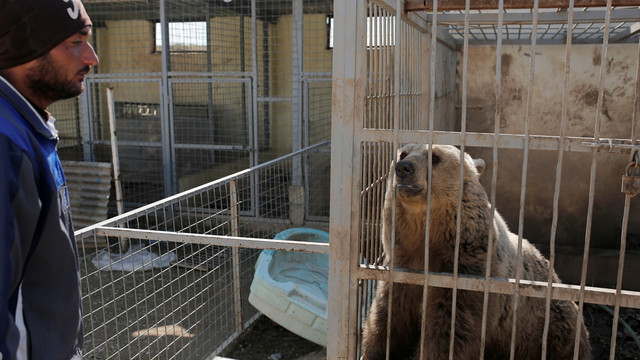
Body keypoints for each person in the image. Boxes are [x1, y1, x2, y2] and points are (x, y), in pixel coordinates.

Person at [0, 0, 99, 359]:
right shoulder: (6, 145)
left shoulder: (28, 127)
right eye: (75, 42)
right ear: (25, 48)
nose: (91, 58)